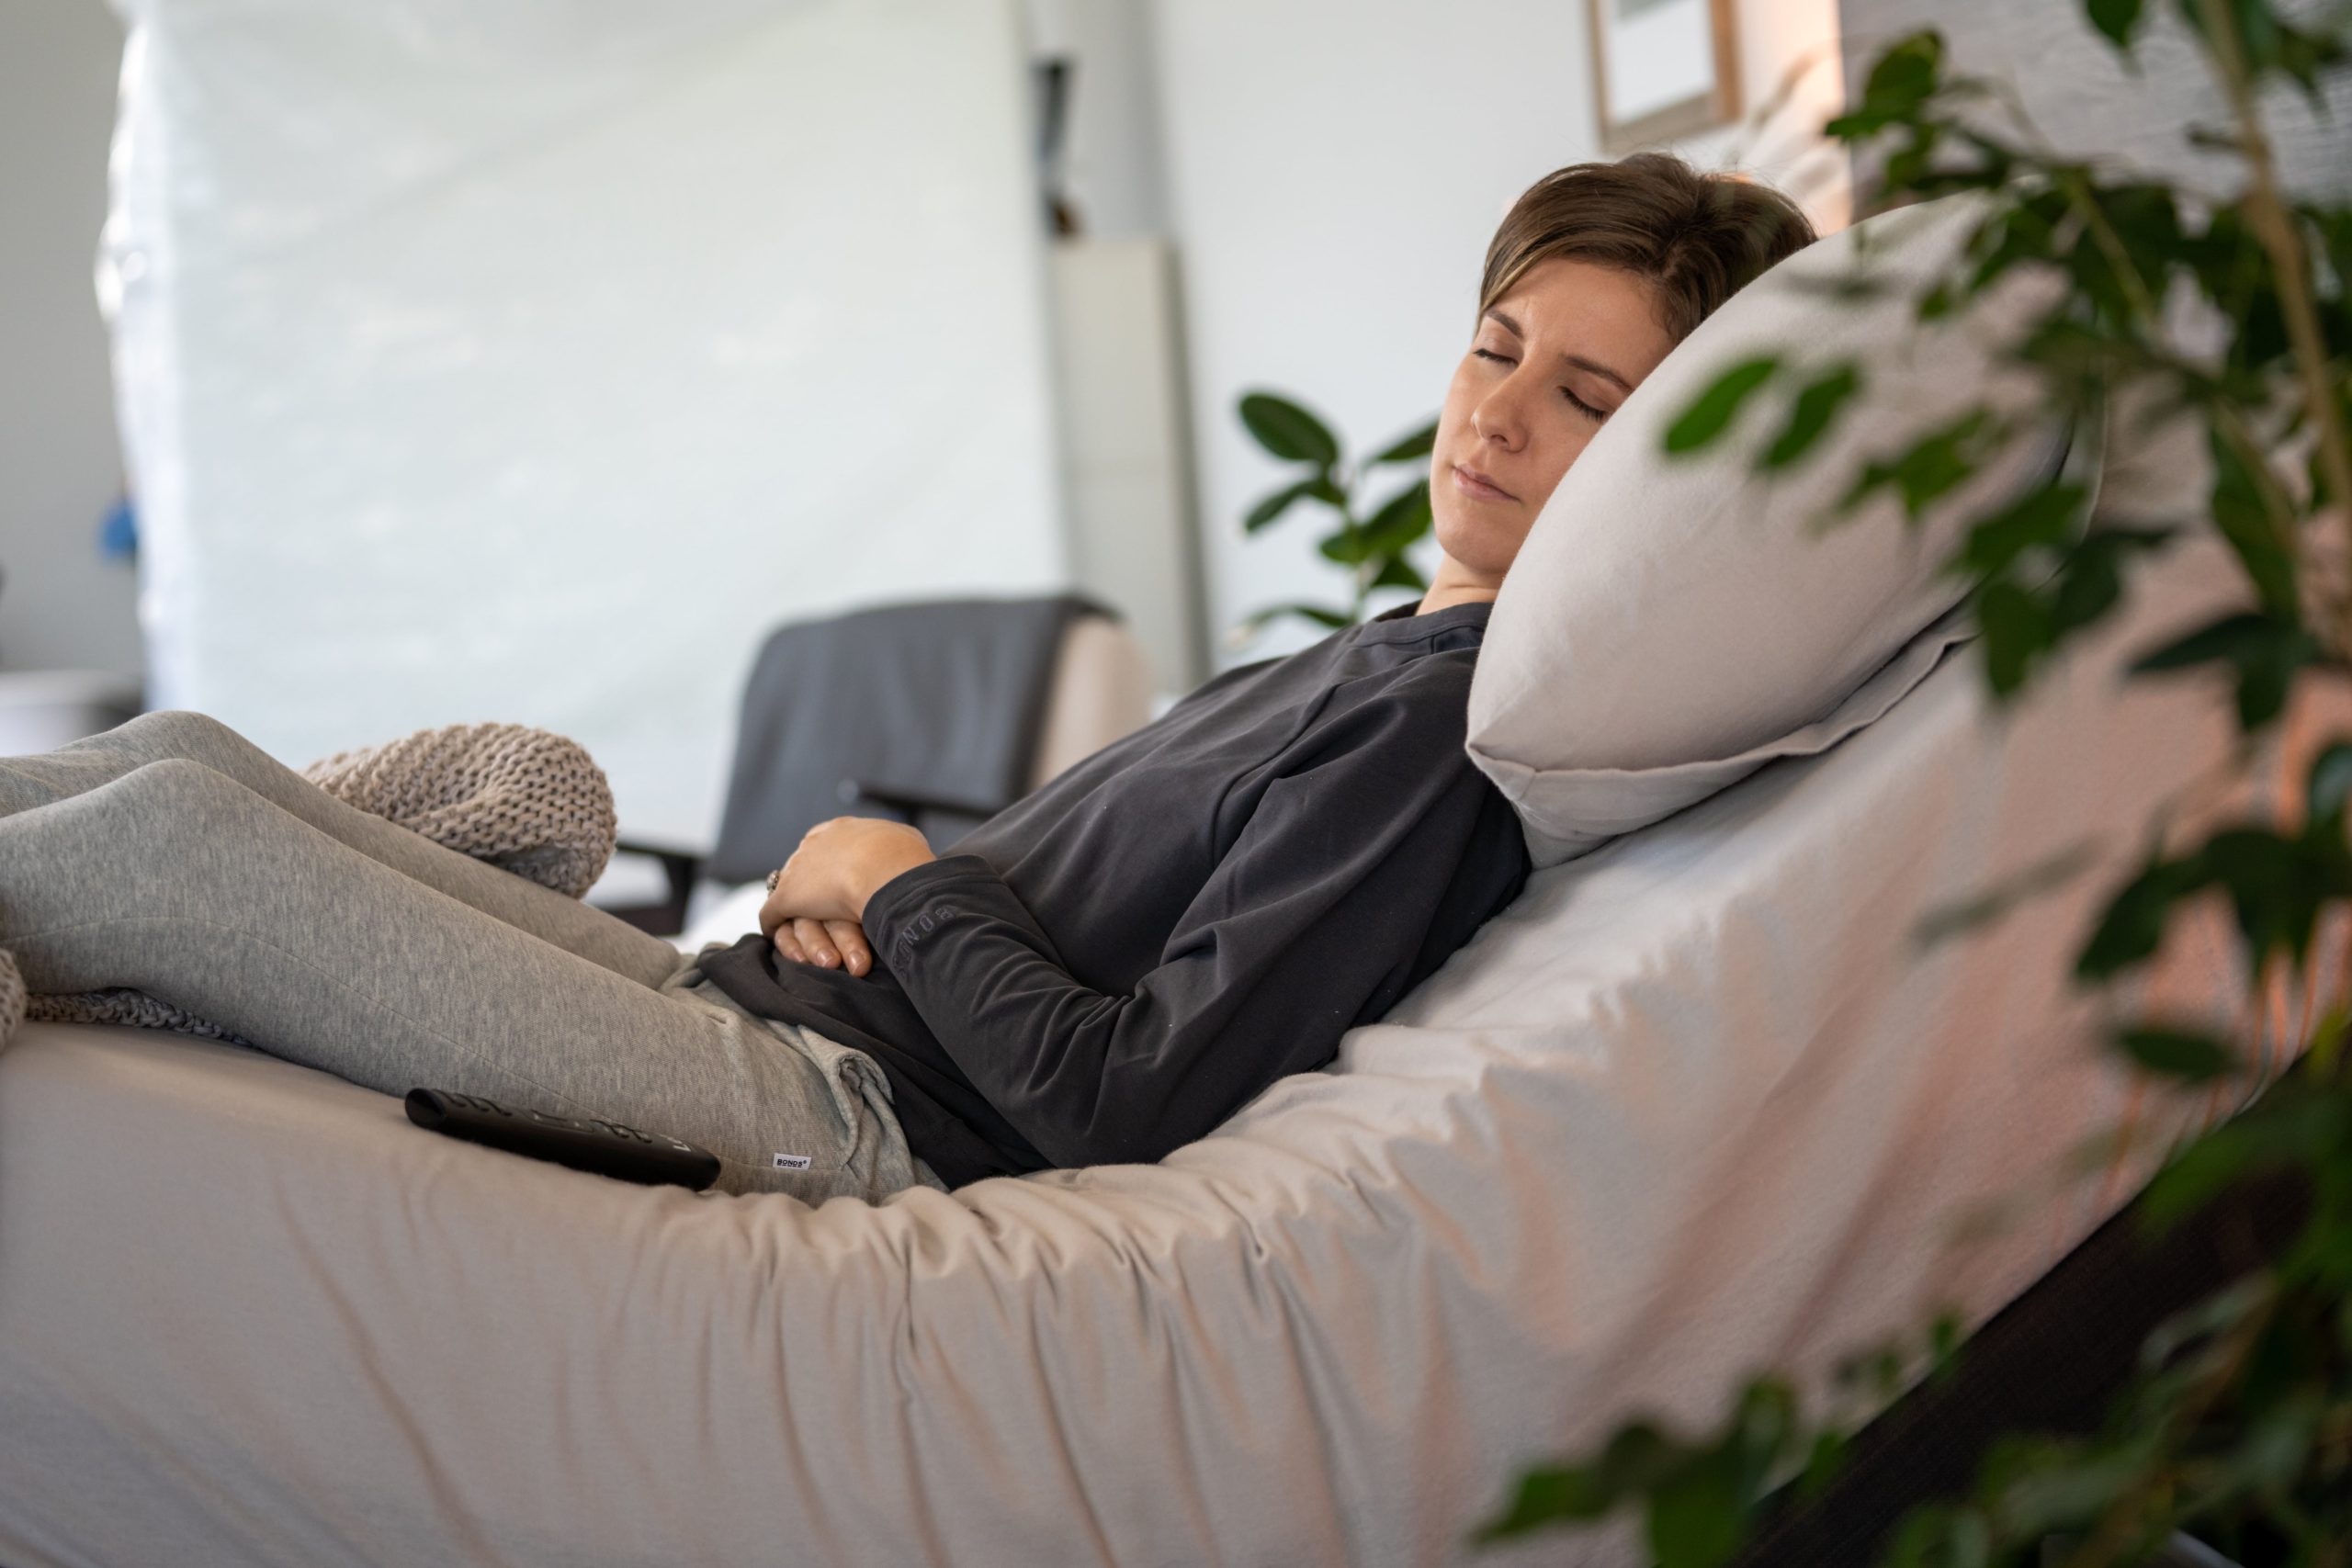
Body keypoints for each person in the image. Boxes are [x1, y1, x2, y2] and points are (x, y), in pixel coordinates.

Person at [0, 152, 1815, 1201]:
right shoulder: (1392, 650)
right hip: (742, 991)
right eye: (1494, 347)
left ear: (1678, 459)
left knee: (177, 847)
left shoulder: (1446, 731)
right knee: (200, 761)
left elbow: (1132, 1099)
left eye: (1585, 399)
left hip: (837, 1107)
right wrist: (862, 889)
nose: (1494, 411)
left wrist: (900, 873)